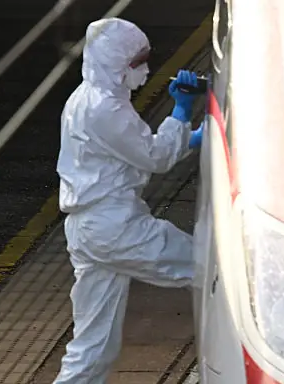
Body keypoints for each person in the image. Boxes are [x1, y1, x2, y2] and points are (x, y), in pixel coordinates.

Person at [53, 17, 204, 384]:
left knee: (92, 346)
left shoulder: (84, 99)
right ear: (115, 63)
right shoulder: (105, 108)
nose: (145, 70)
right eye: (138, 62)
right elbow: (154, 156)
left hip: (89, 229)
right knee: (211, 268)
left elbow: (135, 152)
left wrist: (191, 136)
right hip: (116, 227)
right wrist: (182, 115)